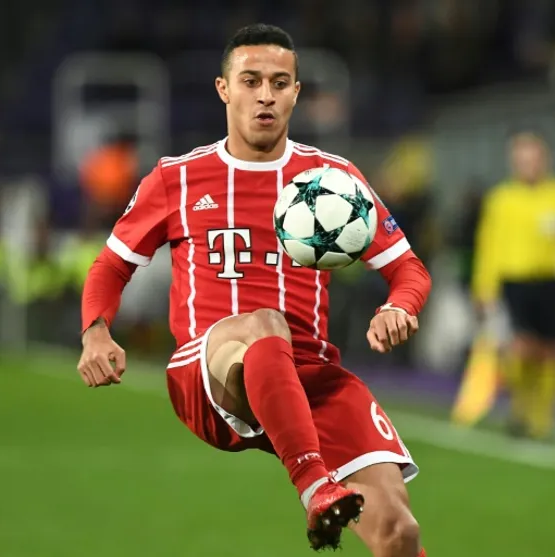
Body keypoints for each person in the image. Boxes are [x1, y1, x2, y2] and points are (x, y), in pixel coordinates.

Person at [78, 24, 432, 557]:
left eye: (279, 82)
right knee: (265, 323)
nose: (265, 94)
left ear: (296, 92)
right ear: (224, 89)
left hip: (308, 374)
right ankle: (315, 488)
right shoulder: (177, 178)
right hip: (211, 372)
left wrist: (398, 306)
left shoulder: (332, 179)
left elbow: (408, 268)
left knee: (399, 533)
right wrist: (95, 331)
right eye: (250, 81)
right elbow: (111, 265)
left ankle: (325, 485)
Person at [472, 129, 555, 439]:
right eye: (521, 160)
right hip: (514, 282)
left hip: (551, 282)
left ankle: (543, 419)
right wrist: (483, 287)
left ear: (545, 159)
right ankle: (520, 411)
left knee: (550, 352)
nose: (527, 165)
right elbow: (488, 244)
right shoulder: (501, 199)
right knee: (519, 348)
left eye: (533, 158)